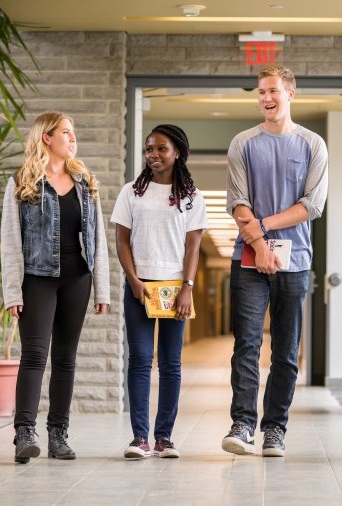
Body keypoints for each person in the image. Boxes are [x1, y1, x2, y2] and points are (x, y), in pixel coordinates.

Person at [221, 66, 328, 458]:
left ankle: (274, 429)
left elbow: (311, 206)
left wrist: (263, 230)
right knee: (246, 345)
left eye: (273, 92)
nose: (266, 98)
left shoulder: (312, 144)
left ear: (290, 94)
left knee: (284, 350)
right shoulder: (243, 143)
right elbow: (237, 201)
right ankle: (243, 424)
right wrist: (260, 245)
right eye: (261, 92)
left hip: (295, 261)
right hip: (247, 259)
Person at [1, 111, 110, 464]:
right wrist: (12, 293)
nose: (72, 137)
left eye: (73, 132)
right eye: (66, 131)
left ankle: (58, 434)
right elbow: (10, 241)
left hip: (78, 278)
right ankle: (24, 433)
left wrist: (102, 290)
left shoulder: (84, 181)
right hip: (37, 279)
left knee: (66, 358)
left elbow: (98, 240)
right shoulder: (22, 181)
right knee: (34, 356)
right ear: (47, 137)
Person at [111, 124, 207, 459]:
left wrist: (187, 288)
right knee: (139, 358)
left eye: (161, 148)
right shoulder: (132, 192)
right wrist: (134, 280)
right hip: (139, 287)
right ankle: (139, 438)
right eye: (149, 149)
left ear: (177, 152)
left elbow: (193, 246)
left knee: (170, 363)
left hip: (173, 288)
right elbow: (121, 240)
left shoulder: (192, 197)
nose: (154, 155)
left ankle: (164, 437)